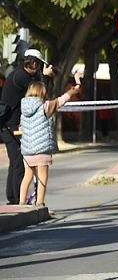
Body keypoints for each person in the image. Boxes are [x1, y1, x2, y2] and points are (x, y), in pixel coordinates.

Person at [19, 74, 81, 206]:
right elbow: (62, 100)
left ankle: (21, 202)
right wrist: (74, 88)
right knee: (42, 177)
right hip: (41, 149)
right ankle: (40, 203)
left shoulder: (23, 110)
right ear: (41, 93)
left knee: (27, 177)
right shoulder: (45, 107)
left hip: (27, 151)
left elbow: (21, 126)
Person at [1, 49, 52, 204]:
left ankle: (13, 197)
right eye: (38, 63)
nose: (38, 66)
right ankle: (16, 200)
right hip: (10, 126)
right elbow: (40, 93)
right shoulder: (22, 77)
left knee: (16, 163)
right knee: (18, 164)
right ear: (33, 62)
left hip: (10, 125)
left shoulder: (22, 75)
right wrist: (46, 77)